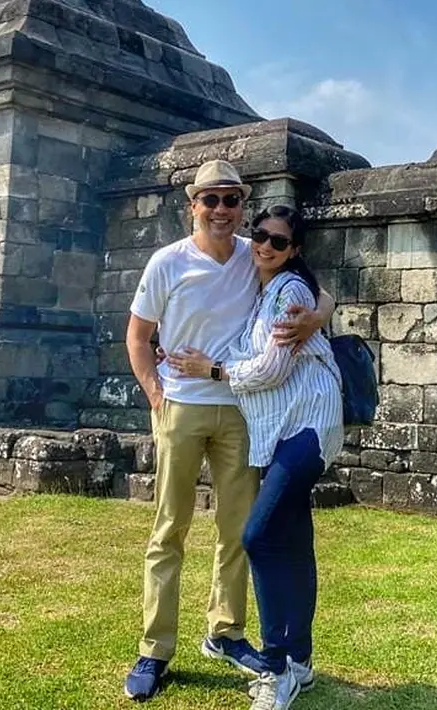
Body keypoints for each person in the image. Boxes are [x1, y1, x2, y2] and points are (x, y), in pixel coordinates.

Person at [123, 161, 333, 702]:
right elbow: (138, 336)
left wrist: (317, 317)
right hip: (183, 406)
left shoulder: (254, 251)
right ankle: (155, 649)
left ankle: (226, 630)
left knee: (237, 531)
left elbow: (313, 288)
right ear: (191, 204)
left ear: (242, 205)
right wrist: (154, 391)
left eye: (231, 200)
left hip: (241, 411)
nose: (221, 210)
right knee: (170, 528)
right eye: (210, 199)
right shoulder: (167, 262)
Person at [168, 205, 344, 710]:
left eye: (279, 242)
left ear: (296, 250)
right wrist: (325, 306)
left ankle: (274, 664)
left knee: (258, 535)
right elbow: (319, 294)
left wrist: (212, 370)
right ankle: (301, 662)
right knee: (292, 539)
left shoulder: (288, 289)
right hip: (281, 425)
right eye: (261, 236)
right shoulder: (257, 271)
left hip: (308, 423)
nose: (266, 246)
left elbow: (269, 368)